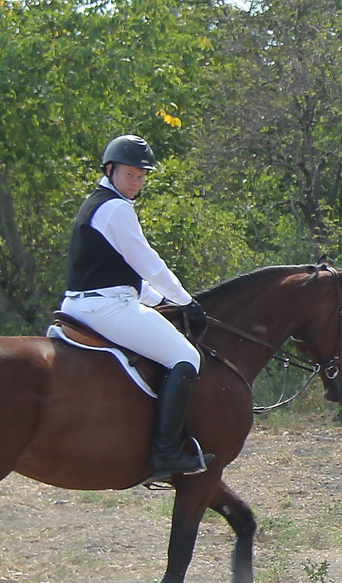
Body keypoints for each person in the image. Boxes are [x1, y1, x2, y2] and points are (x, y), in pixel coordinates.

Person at [64, 134, 212, 480]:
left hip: (82, 304)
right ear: (110, 170)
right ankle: (166, 452)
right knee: (186, 357)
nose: (136, 182)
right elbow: (148, 263)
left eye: (142, 176)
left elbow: (120, 272)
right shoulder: (116, 209)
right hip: (106, 309)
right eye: (129, 174)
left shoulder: (97, 203)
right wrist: (185, 300)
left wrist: (161, 301)